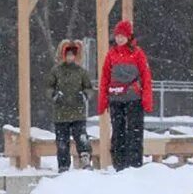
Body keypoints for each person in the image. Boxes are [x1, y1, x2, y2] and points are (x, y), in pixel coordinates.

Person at [97, 20, 153, 171]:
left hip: (134, 99)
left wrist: (147, 99)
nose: (119, 38)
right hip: (116, 100)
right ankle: (119, 165)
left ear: (129, 36)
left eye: (122, 36)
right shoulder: (111, 54)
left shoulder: (138, 53)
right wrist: (102, 101)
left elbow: (146, 76)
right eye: (117, 36)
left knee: (134, 132)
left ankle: (135, 165)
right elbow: (105, 79)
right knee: (118, 132)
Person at [46, 39, 94, 172]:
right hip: (61, 114)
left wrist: (84, 95)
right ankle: (63, 165)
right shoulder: (56, 71)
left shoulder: (81, 72)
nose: (70, 58)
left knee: (82, 138)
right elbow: (49, 87)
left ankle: (85, 160)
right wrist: (55, 95)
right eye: (67, 55)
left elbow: (89, 88)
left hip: (78, 112)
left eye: (72, 55)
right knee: (62, 142)